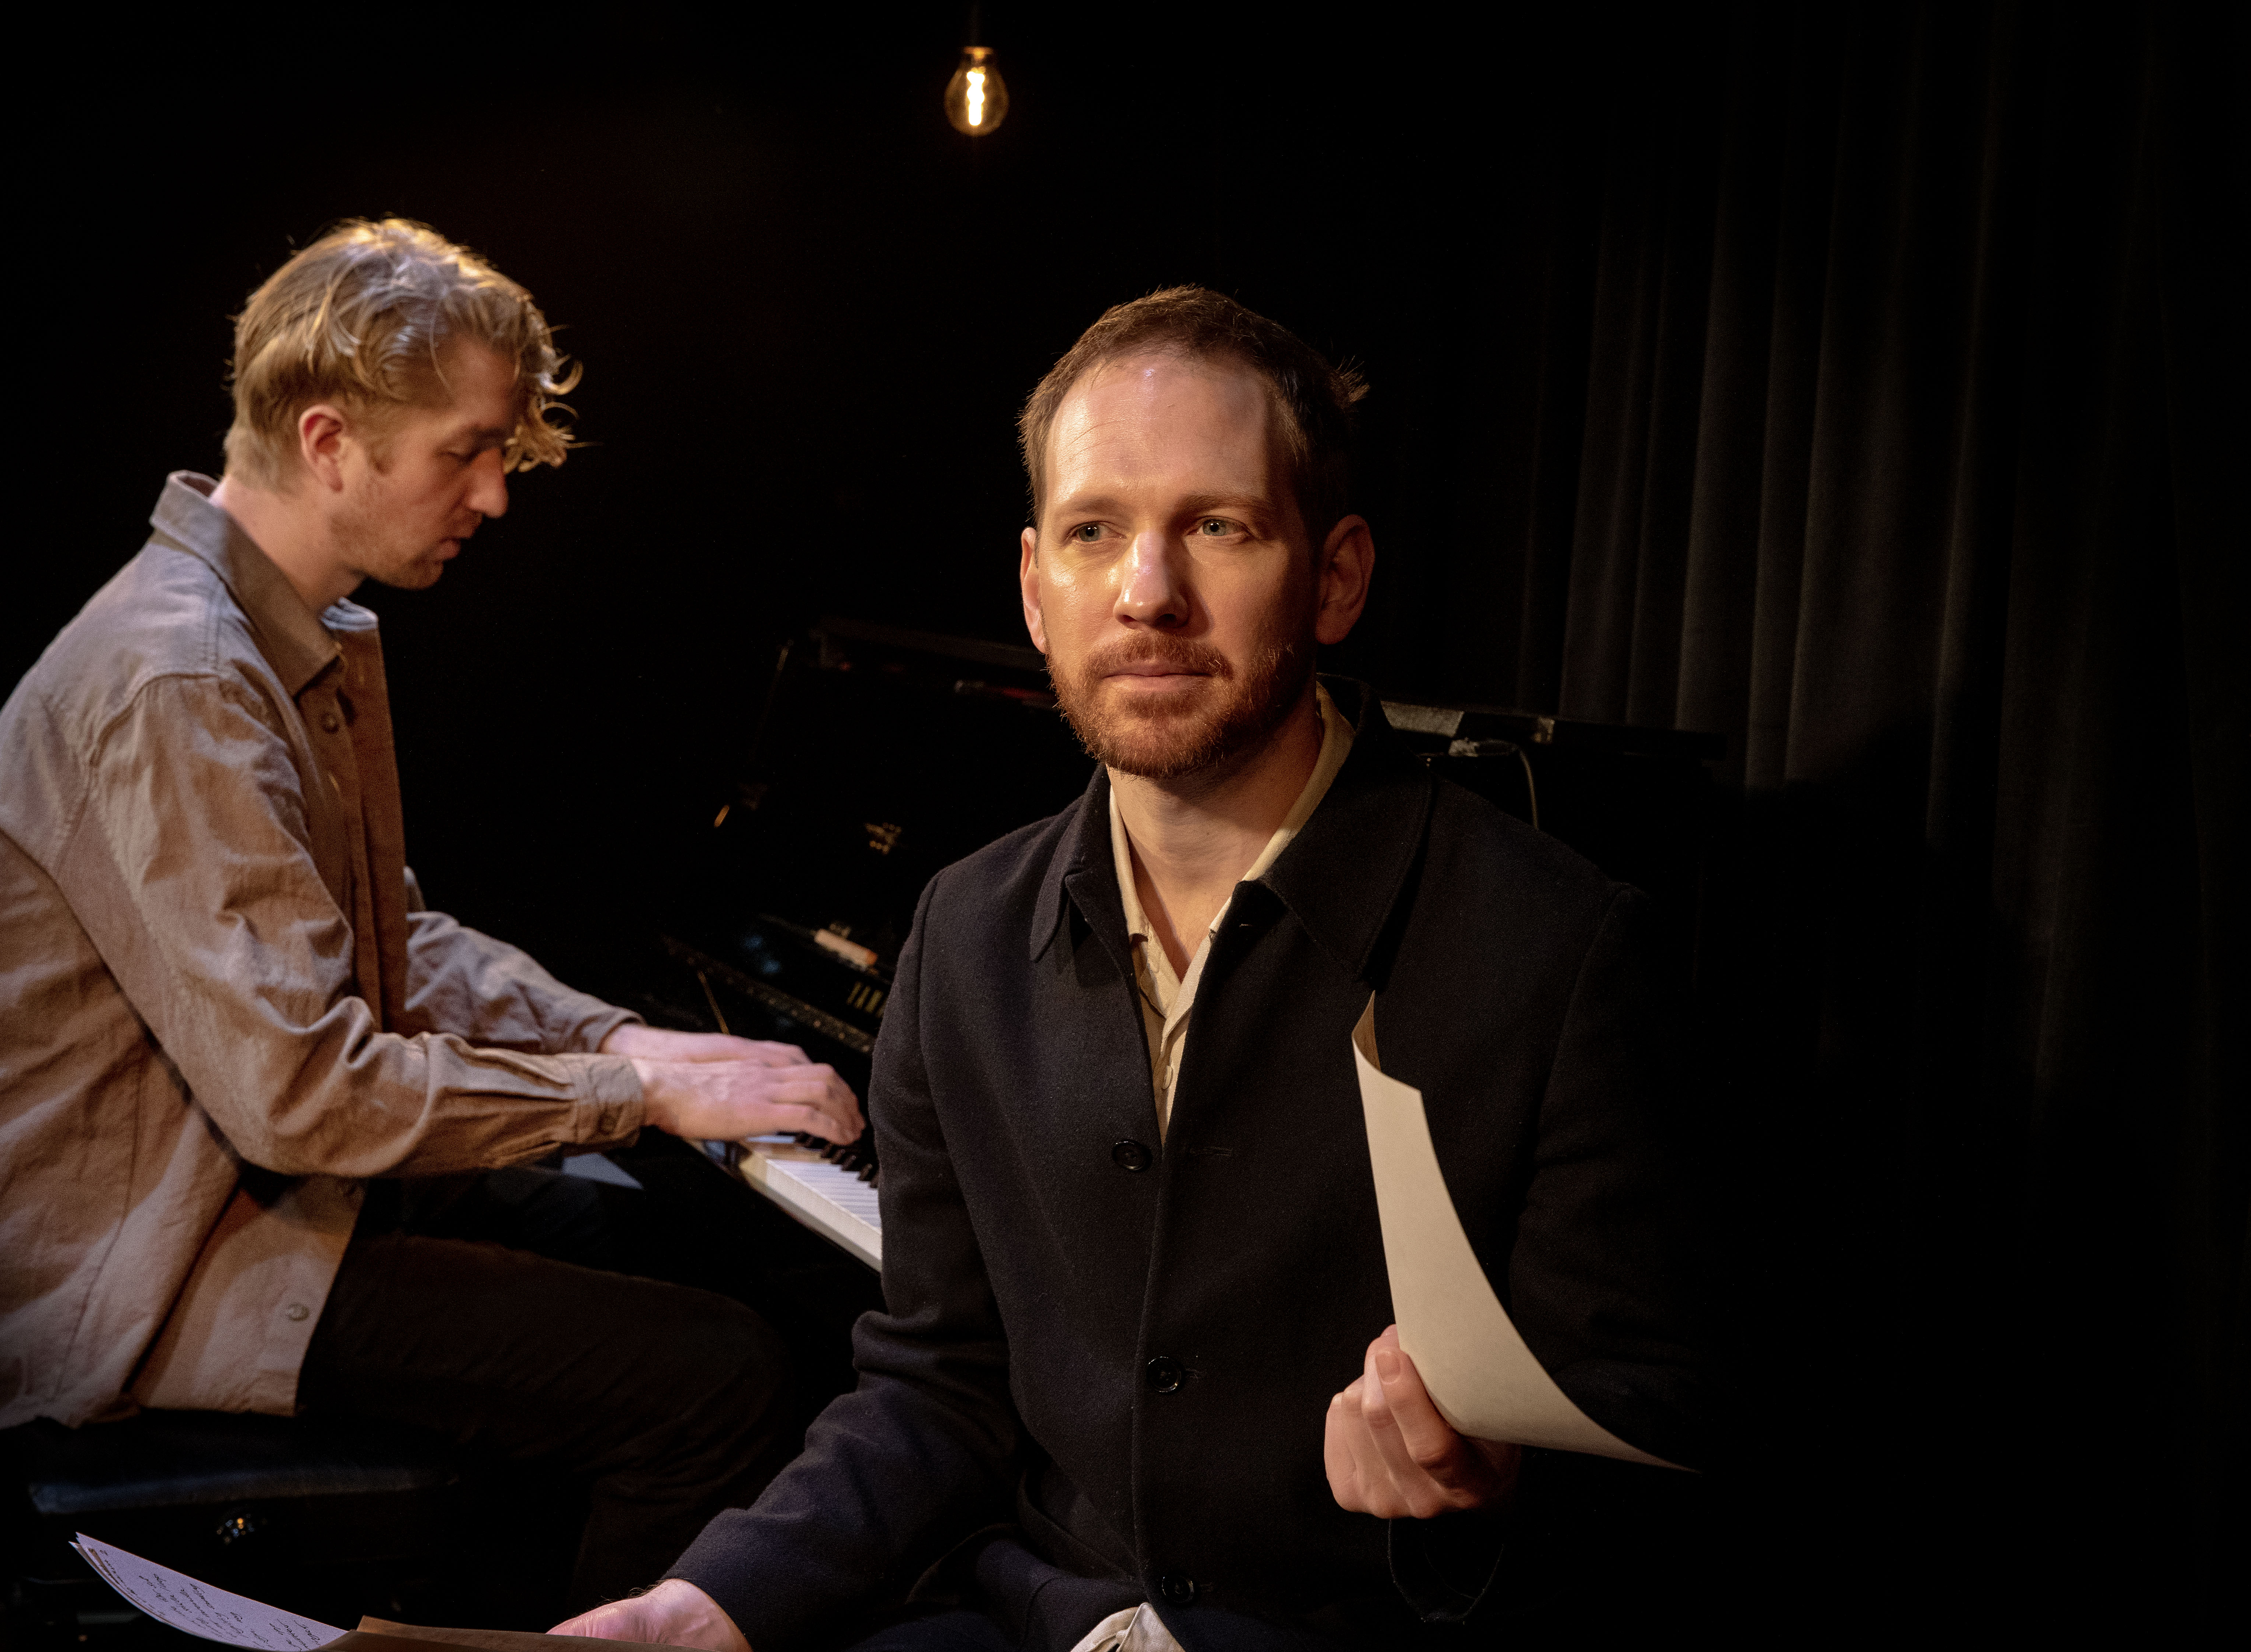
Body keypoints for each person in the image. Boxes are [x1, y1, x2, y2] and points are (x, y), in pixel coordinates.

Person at [561, 288, 1710, 1650]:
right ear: (1035, 588)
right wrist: (706, 1607)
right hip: (1041, 1619)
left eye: (1218, 527)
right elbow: (938, 1386)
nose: (1147, 594)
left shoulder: (1560, 949)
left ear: (1337, 577)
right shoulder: (961, 931)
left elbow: (1648, 1449)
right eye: (1095, 531)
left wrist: (1490, 1480)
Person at [0, 219, 864, 1613]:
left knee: (673, 1247)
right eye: (464, 453)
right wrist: (635, 1095)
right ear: (328, 441)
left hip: (245, 1203)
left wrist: (625, 1043)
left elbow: (398, 946)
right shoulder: (181, 676)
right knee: (715, 1378)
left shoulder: (275, 636)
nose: (495, 496)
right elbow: (304, 1096)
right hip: (132, 1274)